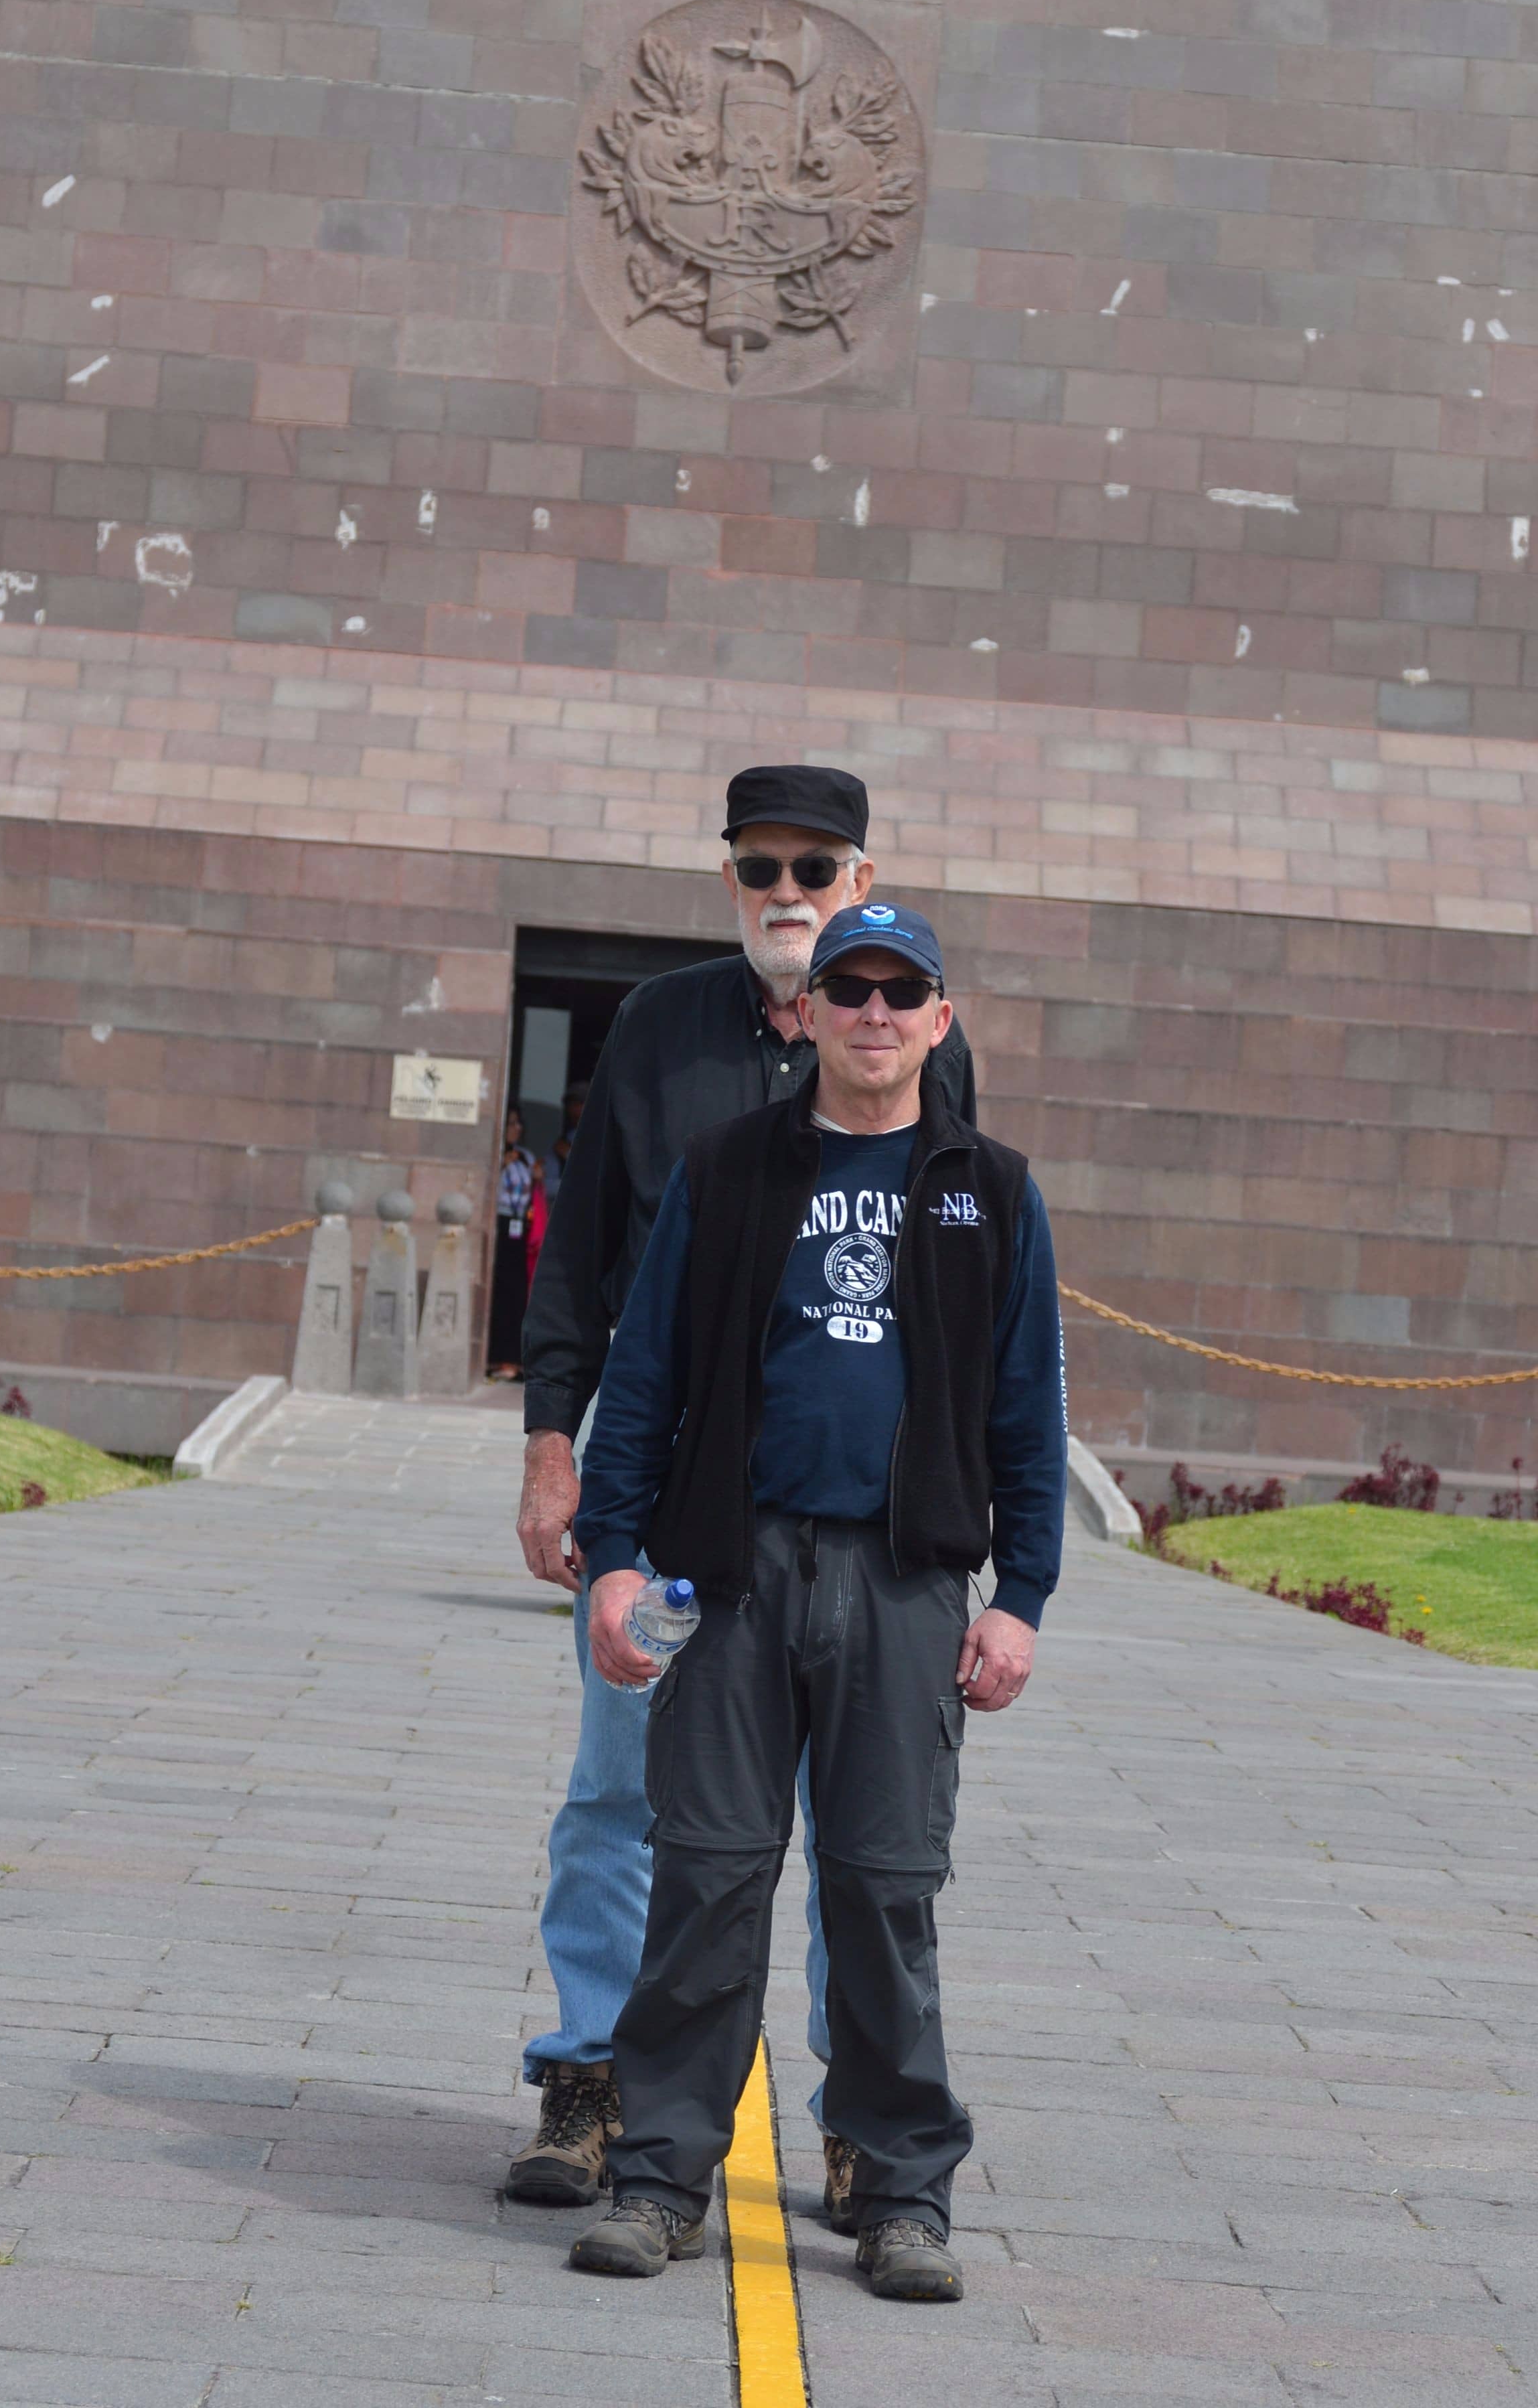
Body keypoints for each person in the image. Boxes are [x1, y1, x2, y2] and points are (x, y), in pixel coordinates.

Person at [562, 901, 1063, 2304]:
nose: (873, 1010)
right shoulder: (726, 1169)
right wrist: (613, 1552)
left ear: (939, 1019)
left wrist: (1017, 1593)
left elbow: (1027, 1416)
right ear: (810, 1011)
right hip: (729, 1578)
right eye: (848, 985)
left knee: (883, 1889)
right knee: (708, 1880)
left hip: (904, 1586)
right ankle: (660, 2177)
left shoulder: (991, 1189)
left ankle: (901, 2189)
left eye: (902, 990)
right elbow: (644, 1378)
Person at [505, 765, 976, 2210]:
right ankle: (594, 2076)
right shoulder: (657, 1029)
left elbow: (963, 1293)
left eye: (813, 866)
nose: (787, 891)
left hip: (852, 1522)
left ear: (859, 874)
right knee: (617, 1796)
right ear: (730, 881)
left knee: (854, 1831)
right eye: (759, 866)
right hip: (674, 1507)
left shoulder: (910, 1037)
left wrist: (987, 1548)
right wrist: (551, 1445)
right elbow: (583, 1254)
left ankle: (853, 2108)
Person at [485, 1114, 540, 1381]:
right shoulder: (494, 1155)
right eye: (511, 1123)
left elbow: (536, 1187)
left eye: (520, 1123)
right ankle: (495, 1357)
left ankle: (514, 1360)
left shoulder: (526, 1157)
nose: (517, 1128)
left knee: (518, 1294)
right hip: (500, 1226)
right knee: (498, 1292)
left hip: (521, 1229)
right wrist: (499, 1166)